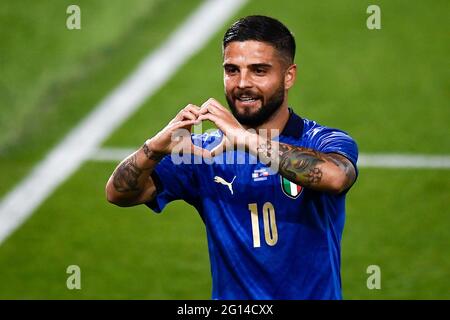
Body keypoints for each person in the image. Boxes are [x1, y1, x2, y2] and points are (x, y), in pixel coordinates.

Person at [106, 15, 358, 300]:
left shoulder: (321, 140)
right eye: (232, 70)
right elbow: (119, 193)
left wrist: (245, 139)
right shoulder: (204, 153)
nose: (242, 83)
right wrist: (152, 148)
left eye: (259, 71)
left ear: (289, 76)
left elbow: (336, 177)